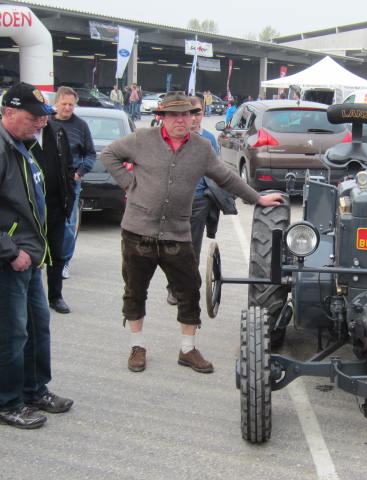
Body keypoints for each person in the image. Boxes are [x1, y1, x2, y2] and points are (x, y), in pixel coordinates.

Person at [100, 91, 283, 374]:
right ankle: (137, 346)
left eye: (186, 114)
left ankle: (187, 349)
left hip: (177, 234)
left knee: (189, 291)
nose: (180, 120)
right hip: (138, 232)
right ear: (162, 118)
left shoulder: (201, 148)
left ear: (192, 117)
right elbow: (109, 154)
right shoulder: (141, 140)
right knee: (135, 292)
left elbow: (226, 176)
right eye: (173, 115)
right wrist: (129, 184)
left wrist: (256, 198)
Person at [0, 82, 74, 429]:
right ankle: (8, 402)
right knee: (12, 333)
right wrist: (10, 250)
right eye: (33, 117)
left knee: (37, 327)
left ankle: (34, 390)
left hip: (31, 257)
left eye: (43, 117)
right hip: (10, 261)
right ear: (9, 113)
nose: (40, 123)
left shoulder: (22, 145)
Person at [166, 95, 236, 305]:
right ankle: (173, 286)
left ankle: (186, 288)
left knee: (191, 247)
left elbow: (217, 171)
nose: (195, 117)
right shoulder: (173, 137)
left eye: (198, 112)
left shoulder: (208, 139)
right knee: (172, 246)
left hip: (198, 201)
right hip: (174, 201)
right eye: (191, 112)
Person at [30, 115, 75, 314]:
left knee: (57, 253)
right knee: (32, 256)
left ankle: (55, 296)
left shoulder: (56, 131)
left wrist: (70, 195)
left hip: (56, 205)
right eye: (37, 114)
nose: (42, 118)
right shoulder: (20, 134)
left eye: (44, 114)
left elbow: (68, 164)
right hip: (30, 210)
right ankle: (30, 299)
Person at [50, 86, 96, 280]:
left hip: (71, 182)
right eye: (64, 104)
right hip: (49, 180)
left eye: (71, 104)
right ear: (56, 104)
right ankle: (47, 257)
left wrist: (80, 173)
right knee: (46, 220)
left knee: (69, 224)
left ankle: (64, 261)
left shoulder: (81, 126)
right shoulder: (46, 123)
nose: (68, 108)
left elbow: (90, 154)